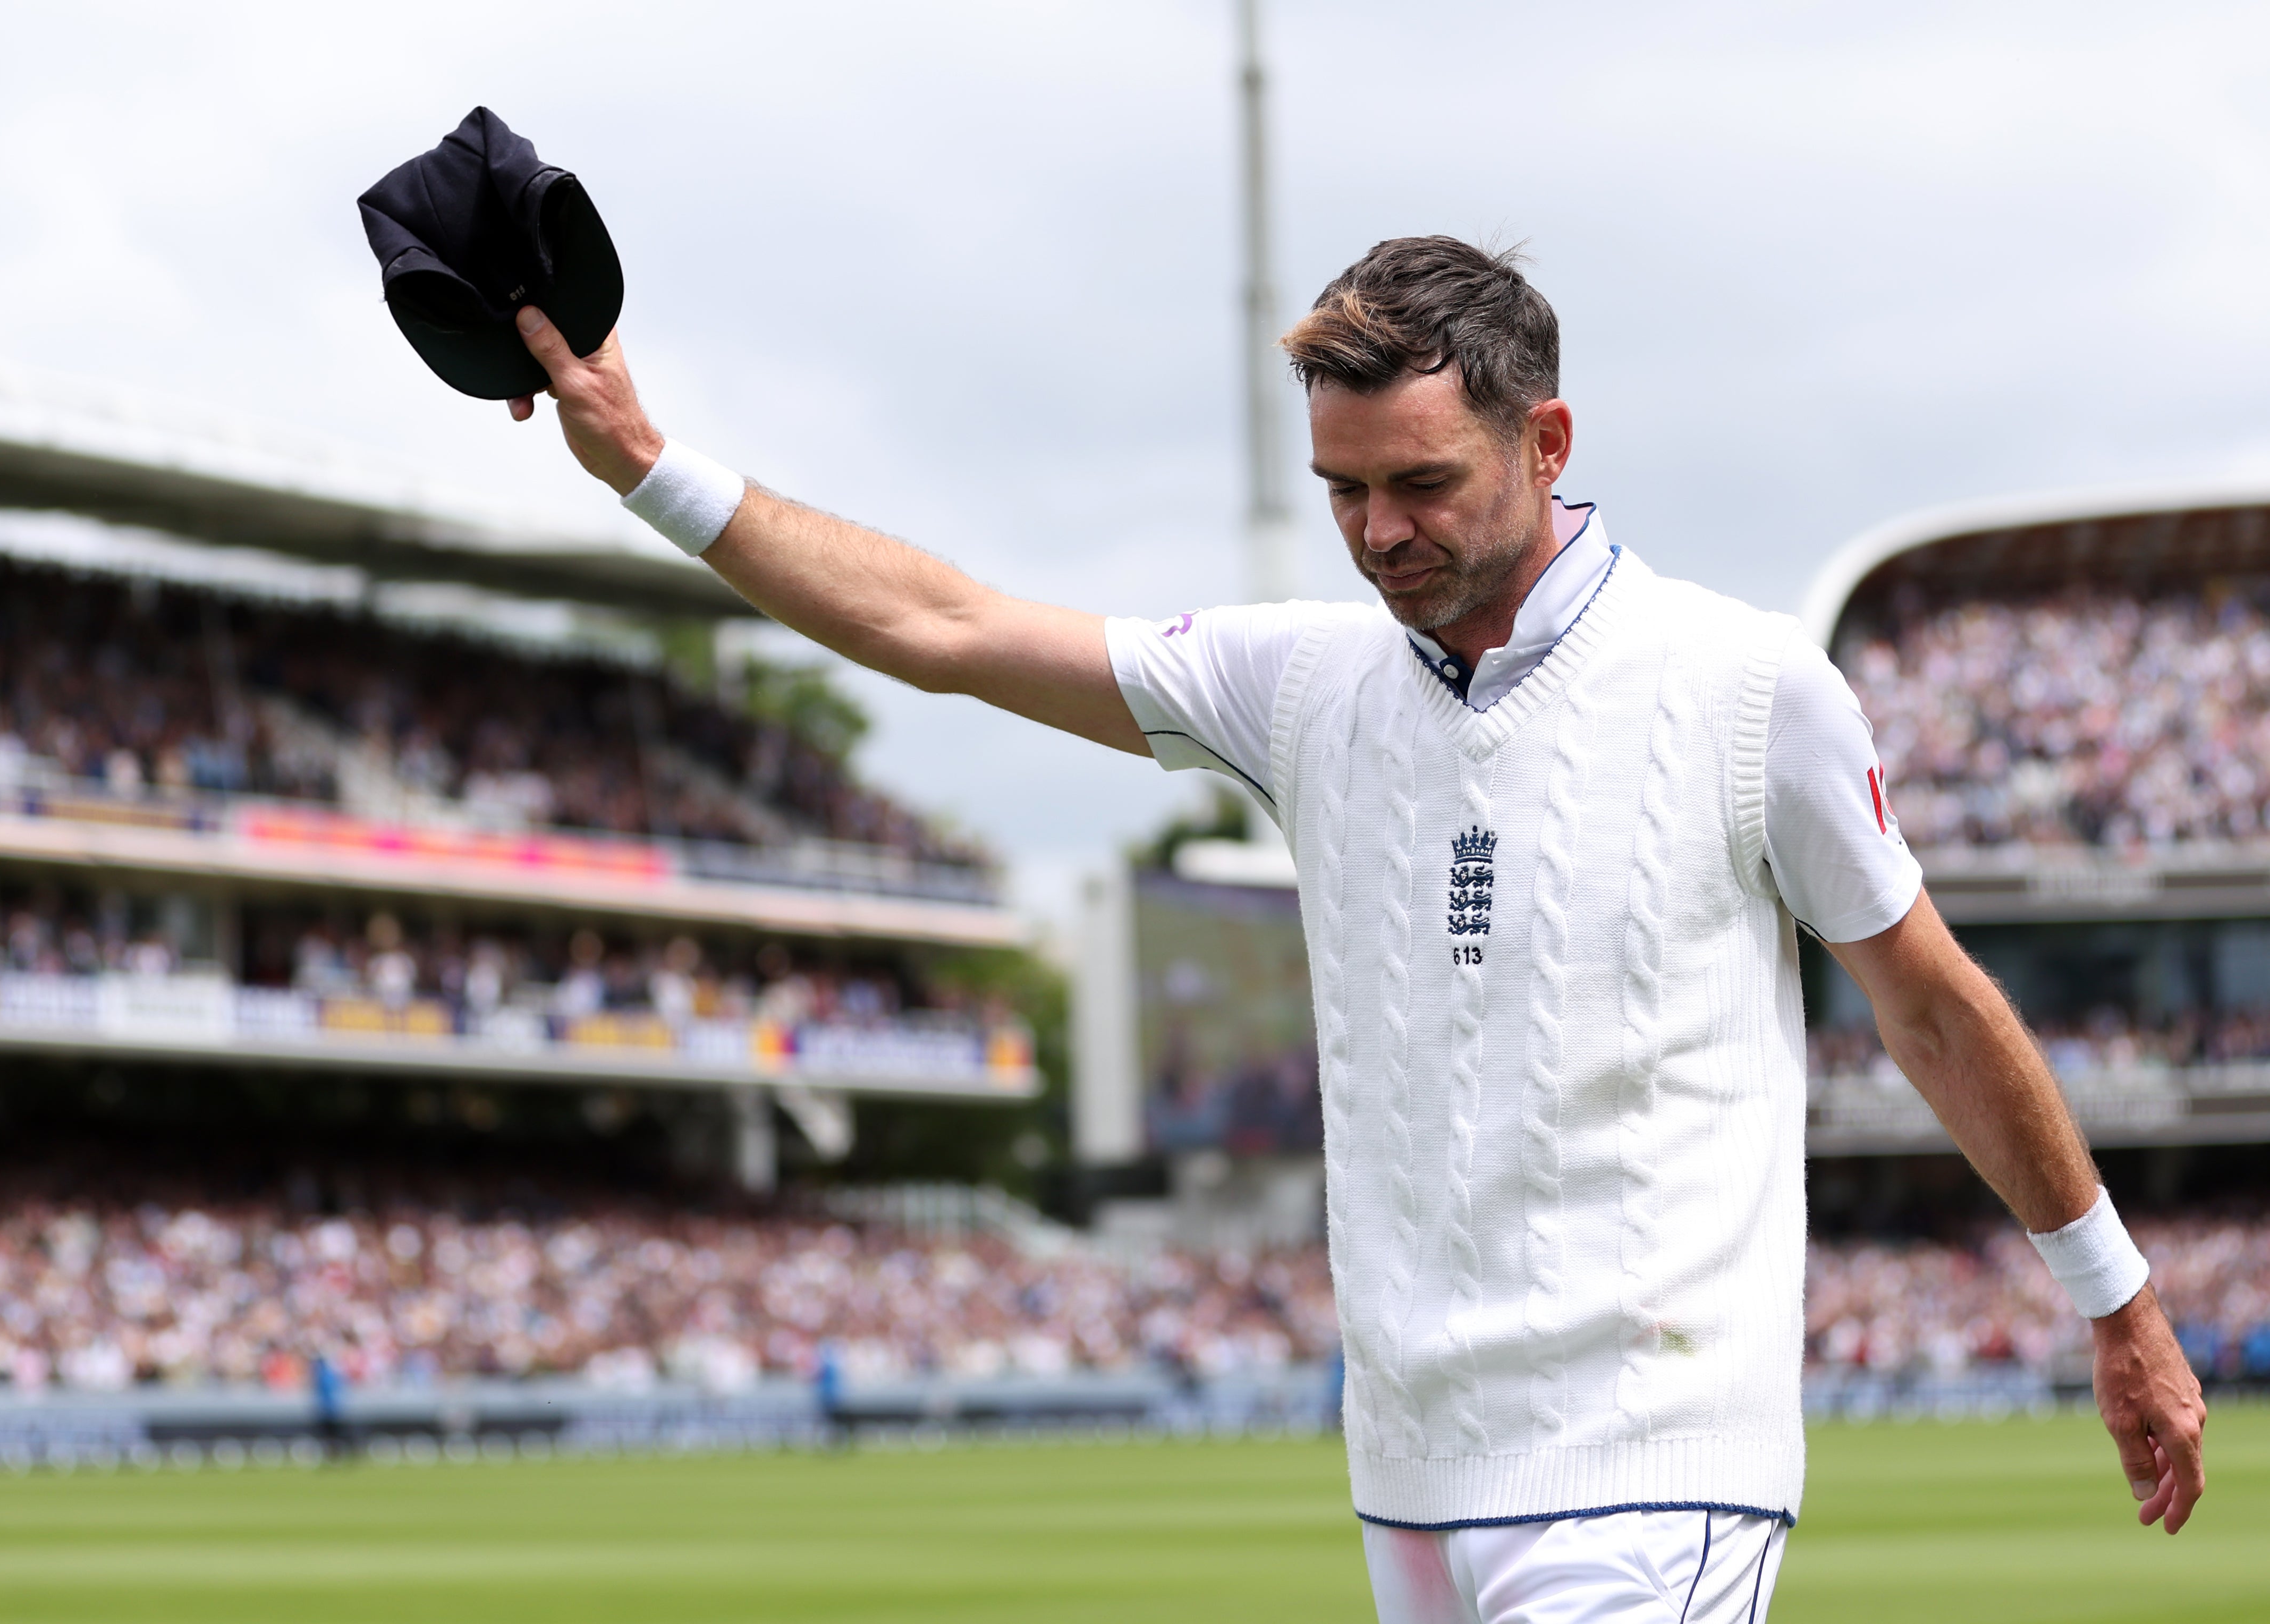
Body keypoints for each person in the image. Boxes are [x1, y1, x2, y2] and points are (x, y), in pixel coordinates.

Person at [499, 236, 2205, 1621]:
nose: (1381, 531)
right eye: (1343, 491)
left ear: (1547, 442)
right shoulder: (1293, 683)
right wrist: (654, 468)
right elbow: (943, 626)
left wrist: (2113, 1294)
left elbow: (1927, 1004)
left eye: (1424, 482)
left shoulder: (1751, 688)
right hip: (1407, 1471)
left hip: (1653, 1460)